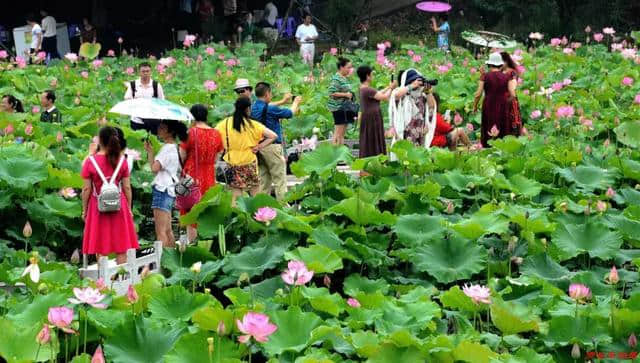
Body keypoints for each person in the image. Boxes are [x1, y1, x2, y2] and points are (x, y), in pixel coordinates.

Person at [81, 126, 138, 264]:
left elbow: (86, 189)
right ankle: (123, 280)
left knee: (100, 245)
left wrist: (85, 209)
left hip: (97, 206)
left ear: (100, 140)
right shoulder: (122, 160)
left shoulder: (90, 161)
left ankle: (103, 281)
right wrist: (129, 208)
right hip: (119, 205)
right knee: (122, 246)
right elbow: (127, 187)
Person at [215, 97, 278, 205]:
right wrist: (259, 146)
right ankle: (259, 216)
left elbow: (215, 135)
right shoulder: (253, 125)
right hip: (249, 160)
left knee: (236, 196)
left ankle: (237, 218)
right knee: (255, 192)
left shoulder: (224, 124)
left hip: (232, 161)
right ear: (248, 109)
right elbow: (273, 136)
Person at [178, 104, 223, 242]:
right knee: (206, 208)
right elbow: (218, 155)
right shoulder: (216, 133)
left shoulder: (190, 133)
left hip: (191, 174)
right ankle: (206, 241)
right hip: (209, 174)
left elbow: (181, 155)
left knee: (191, 210)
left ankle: (193, 243)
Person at [251, 82, 302, 201]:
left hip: (258, 147)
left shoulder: (252, 107)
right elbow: (290, 113)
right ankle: (283, 207)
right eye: (271, 93)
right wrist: (296, 102)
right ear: (267, 93)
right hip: (272, 146)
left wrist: (283, 101)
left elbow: (268, 107)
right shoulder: (271, 109)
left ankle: (262, 206)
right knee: (280, 179)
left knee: (264, 181)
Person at [143, 120, 188, 248]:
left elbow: (154, 168)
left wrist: (151, 154)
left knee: (161, 232)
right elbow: (156, 168)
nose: (159, 129)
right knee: (168, 230)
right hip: (169, 190)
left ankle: (160, 263)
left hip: (162, 190)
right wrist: (150, 152)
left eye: (162, 128)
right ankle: (171, 260)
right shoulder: (174, 147)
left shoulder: (167, 148)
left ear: (170, 132)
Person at [472, 52, 517, 147]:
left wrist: (475, 106)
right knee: (502, 125)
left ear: (489, 64)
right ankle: (502, 147)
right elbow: (513, 94)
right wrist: (506, 102)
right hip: (503, 103)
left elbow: (478, 94)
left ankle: (487, 146)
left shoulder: (484, 76)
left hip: (489, 103)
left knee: (488, 123)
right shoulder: (507, 77)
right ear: (500, 64)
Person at [388, 69, 438, 149]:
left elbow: (432, 107)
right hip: (404, 135)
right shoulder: (402, 95)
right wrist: (411, 86)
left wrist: (428, 92)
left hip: (420, 135)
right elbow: (396, 96)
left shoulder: (422, 96)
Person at [356, 65, 395, 158]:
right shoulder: (367, 89)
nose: (372, 77)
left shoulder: (363, 88)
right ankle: (375, 159)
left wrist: (388, 87)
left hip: (369, 117)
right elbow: (384, 97)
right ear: (367, 76)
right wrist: (391, 88)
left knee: (369, 139)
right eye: (371, 75)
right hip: (372, 118)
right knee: (373, 138)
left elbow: (378, 93)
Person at [125, 62, 165, 132]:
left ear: (150, 72)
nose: (145, 73)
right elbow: (127, 100)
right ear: (139, 73)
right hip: (136, 121)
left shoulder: (156, 85)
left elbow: (162, 102)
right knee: (138, 141)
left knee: (152, 141)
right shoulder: (133, 85)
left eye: (147, 71)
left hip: (153, 120)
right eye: (143, 71)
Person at [328, 57, 356, 145]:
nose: (349, 70)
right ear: (341, 67)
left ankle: (341, 153)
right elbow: (331, 93)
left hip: (345, 108)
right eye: (348, 67)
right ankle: (335, 154)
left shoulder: (344, 78)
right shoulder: (336, 78)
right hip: (338, 108)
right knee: (338, 134)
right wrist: (346, 95)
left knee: (342, 134)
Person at [501, 52, 523, 134]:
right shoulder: (500, 72)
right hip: (501, 98)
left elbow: (513, 87)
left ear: (506, 61)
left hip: (510, 98)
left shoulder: (512, 72)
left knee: (512, 119)